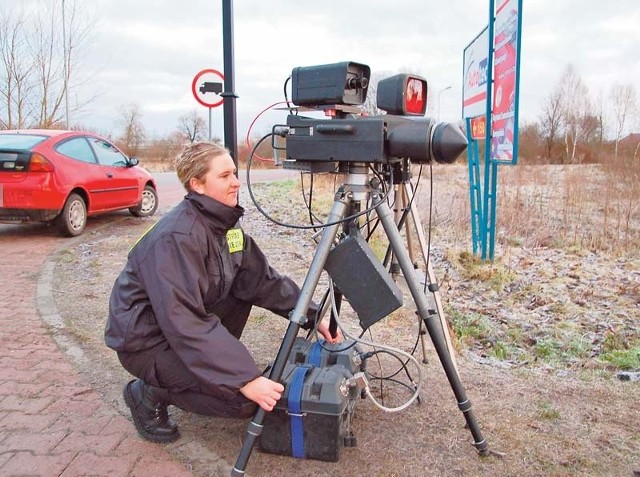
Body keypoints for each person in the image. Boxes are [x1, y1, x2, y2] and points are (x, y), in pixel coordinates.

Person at [104, 141, 338, 443]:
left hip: (177, 329)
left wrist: (312, 314)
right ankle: (147, 392)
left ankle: (202, 373)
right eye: (225, 176)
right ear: (197, 185)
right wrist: (246, 379)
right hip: (145, 341)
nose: (236, 182)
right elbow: (183, 321)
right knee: (244, 400)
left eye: (234, 173)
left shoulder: (226, 225)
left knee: (243, 291)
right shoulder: (177, 238)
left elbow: (261, 280)